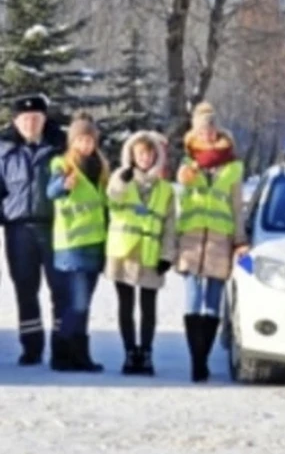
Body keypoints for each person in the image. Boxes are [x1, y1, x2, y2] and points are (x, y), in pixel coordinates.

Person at [176, 102, 248, 382]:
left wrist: (239, 239)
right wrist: (183, 180)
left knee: (212, 301)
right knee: (192, 299)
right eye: (201, 127)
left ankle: (203, 357)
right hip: (192, 239)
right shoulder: (186, 162)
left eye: (210, 127)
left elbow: (236, 205)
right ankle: (196, 361)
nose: (206, 133)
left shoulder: (232, 166)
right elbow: (180, 199)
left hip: (220, 238)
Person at [0, 95, 68, 366]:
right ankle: (31, 348)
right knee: (25, 290)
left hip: (55, 227)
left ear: (44, 119)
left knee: (60, 290)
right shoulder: (4, 151)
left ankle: (62, 347)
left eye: (36, 118)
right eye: (25, 119)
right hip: (18, 230)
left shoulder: (60, 147)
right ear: (16, 121)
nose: (30, 123)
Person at [104, 130, 176, 376]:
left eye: (149, 154)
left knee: (148, 307)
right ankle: (128, 352)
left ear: (156, 156)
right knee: (125, 305)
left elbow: (170, 224)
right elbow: (112, 200)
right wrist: (121, 181)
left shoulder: (165, 189)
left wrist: (167, 255)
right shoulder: (121, 178)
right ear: (132, 156)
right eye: (140, 154)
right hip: (123, 252)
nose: (145, 158)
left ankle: (145, 352)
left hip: (150, 253)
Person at [46, 111, 110, 372]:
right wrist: (64, 184)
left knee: (81, 304)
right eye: (81, 140)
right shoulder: (62, 164)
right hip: (71, 246)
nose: (86, 145)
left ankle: (72, 355)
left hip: (95, 245)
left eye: (90, 140)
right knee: (77, 303)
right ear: (72, 141)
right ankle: (67, 354)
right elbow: (51, 192)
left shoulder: (101, 169)